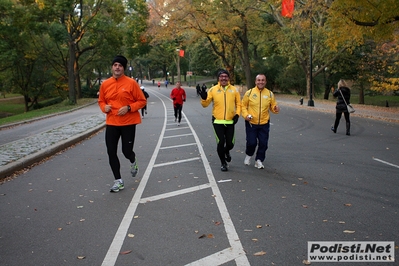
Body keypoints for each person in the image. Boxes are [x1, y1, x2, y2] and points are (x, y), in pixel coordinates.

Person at [98, 55, 147, 192]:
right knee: (111, 152)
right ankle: (118, 180)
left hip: (128, 122)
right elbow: (101, 101)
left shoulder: (131, 83)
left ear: (123, 68)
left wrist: (129, 108)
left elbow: (142, 101)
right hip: (112, 122)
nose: (117, 67)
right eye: (115, 65)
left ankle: (132, 159)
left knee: (126, 151)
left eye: (120, 65)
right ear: (112, 67)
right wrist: (104, 108)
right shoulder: (105, 84)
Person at [200, 69, 241, 172]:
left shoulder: (234, 90)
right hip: (217, 121)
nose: (224, 78)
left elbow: (239, 104)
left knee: (230, 144)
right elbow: (205, 105)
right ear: (218, 78)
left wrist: (237, 115)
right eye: (221, 76)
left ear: (228, 78)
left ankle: (227, 151)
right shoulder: (213, 90)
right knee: (220, 142)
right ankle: (223, 163)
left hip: (230, 121)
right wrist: (204, 98)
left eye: (225, 76)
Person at [241, 74, 280, 169]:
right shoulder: (249, 93)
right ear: (255, 81)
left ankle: (259, 160)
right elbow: (243, 106)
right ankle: (249, 155)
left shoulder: (269, 94)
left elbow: (273, 106)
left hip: (264, 123)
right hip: (251, 123)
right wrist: (246, 115)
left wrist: (275, 109)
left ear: (265, 82)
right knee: (251, 143)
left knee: (263, 143)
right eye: (259, 80)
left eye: (263, 80)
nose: (261, 82)